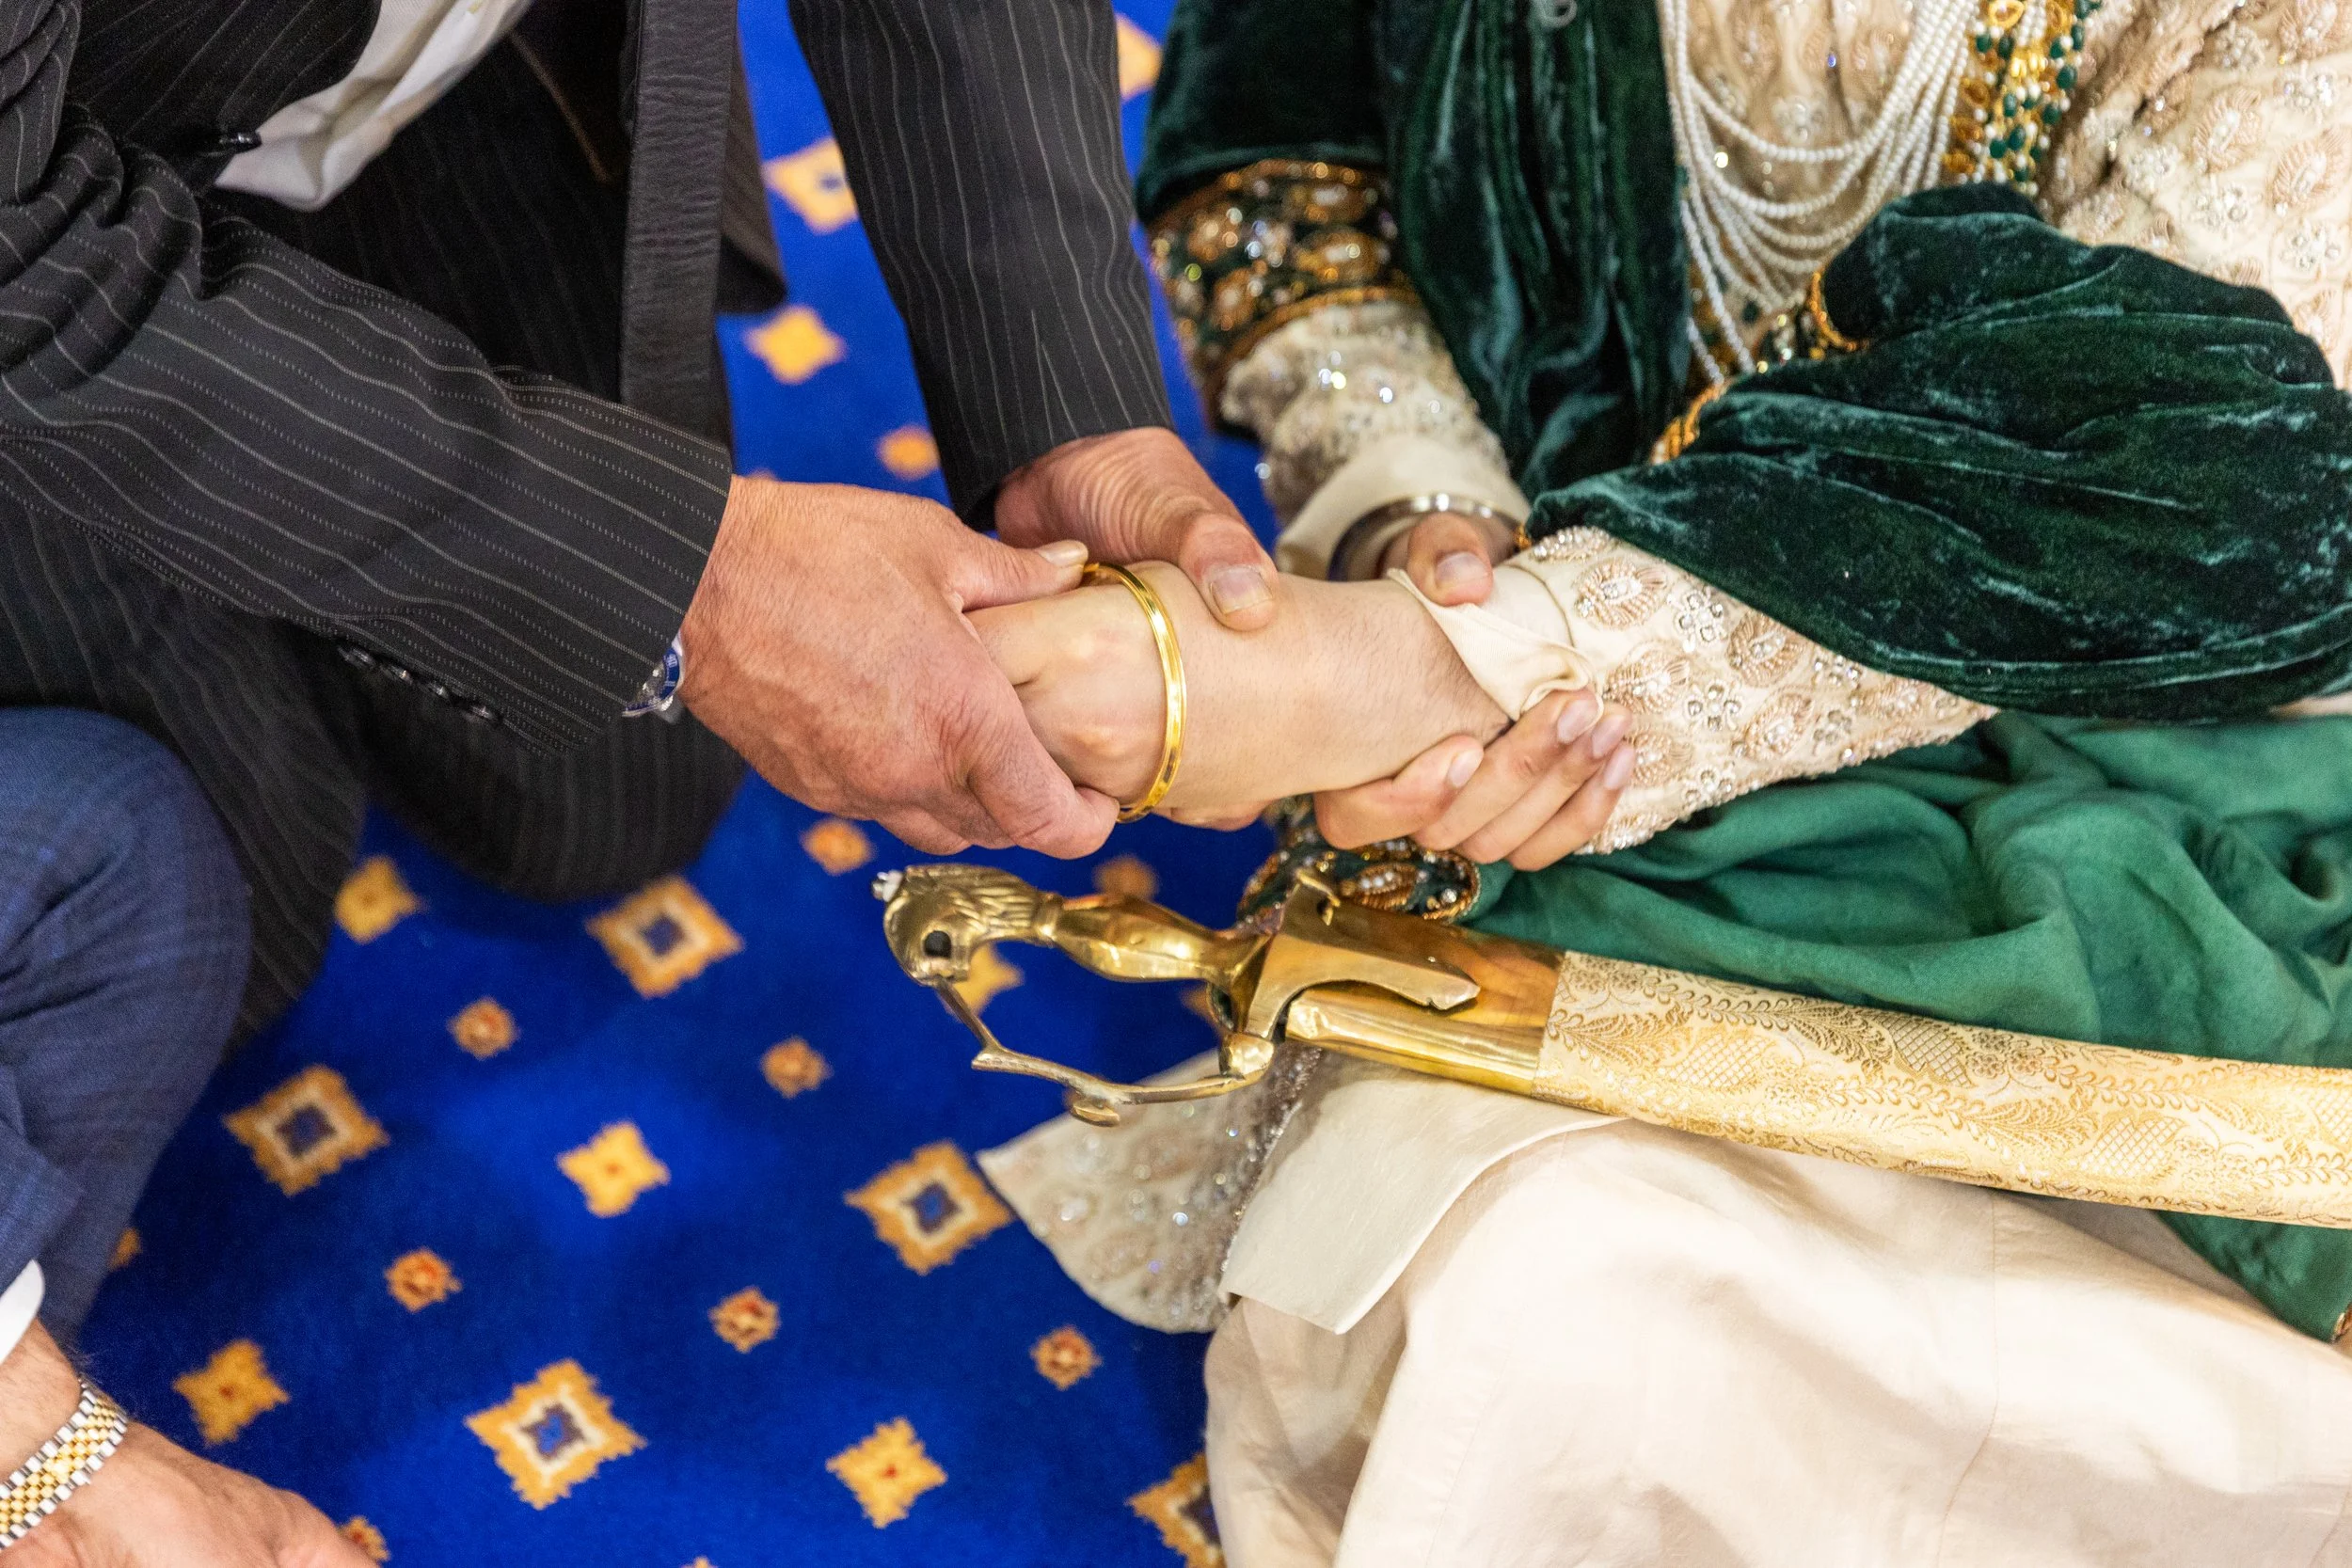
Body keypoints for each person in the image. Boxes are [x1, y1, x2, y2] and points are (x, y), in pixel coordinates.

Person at [0, 0, 1599, 1555]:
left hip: (462, 89)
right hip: (48, 208)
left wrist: (1066, 409)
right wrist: (693, 584)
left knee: (602, 802)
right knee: (205, 898)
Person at [947, 0, 2352, 1559]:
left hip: (2157, 740)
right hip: (1543, 731)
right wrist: (1418, 520)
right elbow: (1280, 174)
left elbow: (2232, 436)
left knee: (2020, 1377)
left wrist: (1463, 665)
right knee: (1545, 1291)